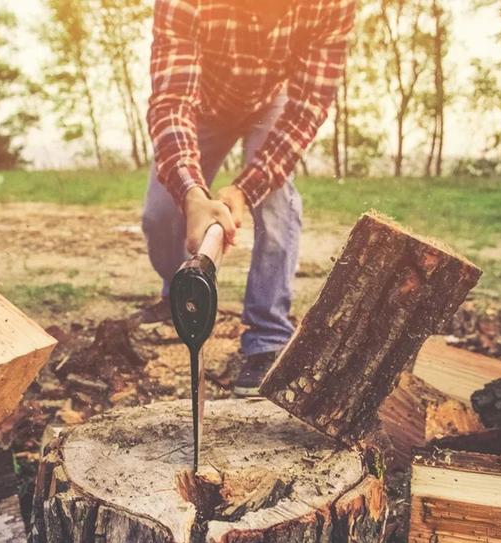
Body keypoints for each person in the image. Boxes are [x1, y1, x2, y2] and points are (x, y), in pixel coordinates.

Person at [141, 0, 356, 395]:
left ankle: (268, 337)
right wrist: (191, 193)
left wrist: (246, 188)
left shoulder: (332, 5)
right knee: (159, 214)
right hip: (200, 102)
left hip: (271, 104)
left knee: (277, 209)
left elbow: (308, 106)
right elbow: (171, 102)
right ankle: (180, 294)